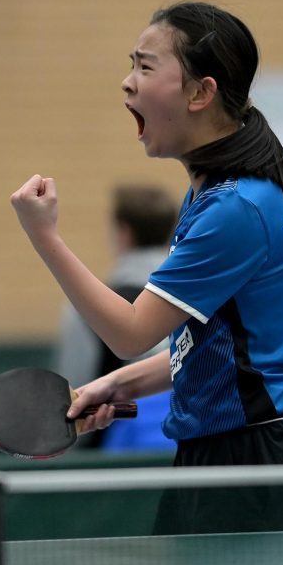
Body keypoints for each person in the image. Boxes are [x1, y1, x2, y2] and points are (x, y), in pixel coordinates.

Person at [10, 1, 283, 533]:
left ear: (200, 93)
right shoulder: (216, 198)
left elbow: (132, 331)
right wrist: (119, 384)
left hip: (254, 475)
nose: (126, 82)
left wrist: (43, 236)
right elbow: (225, 350)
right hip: (220, 460)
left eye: (145, 66)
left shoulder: (237, 210)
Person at [55, 185, 177, 451]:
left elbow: (73, 401)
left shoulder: (84, 311)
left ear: (123, 232)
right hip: (200, 450)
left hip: (120, 463)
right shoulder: (206, 295)